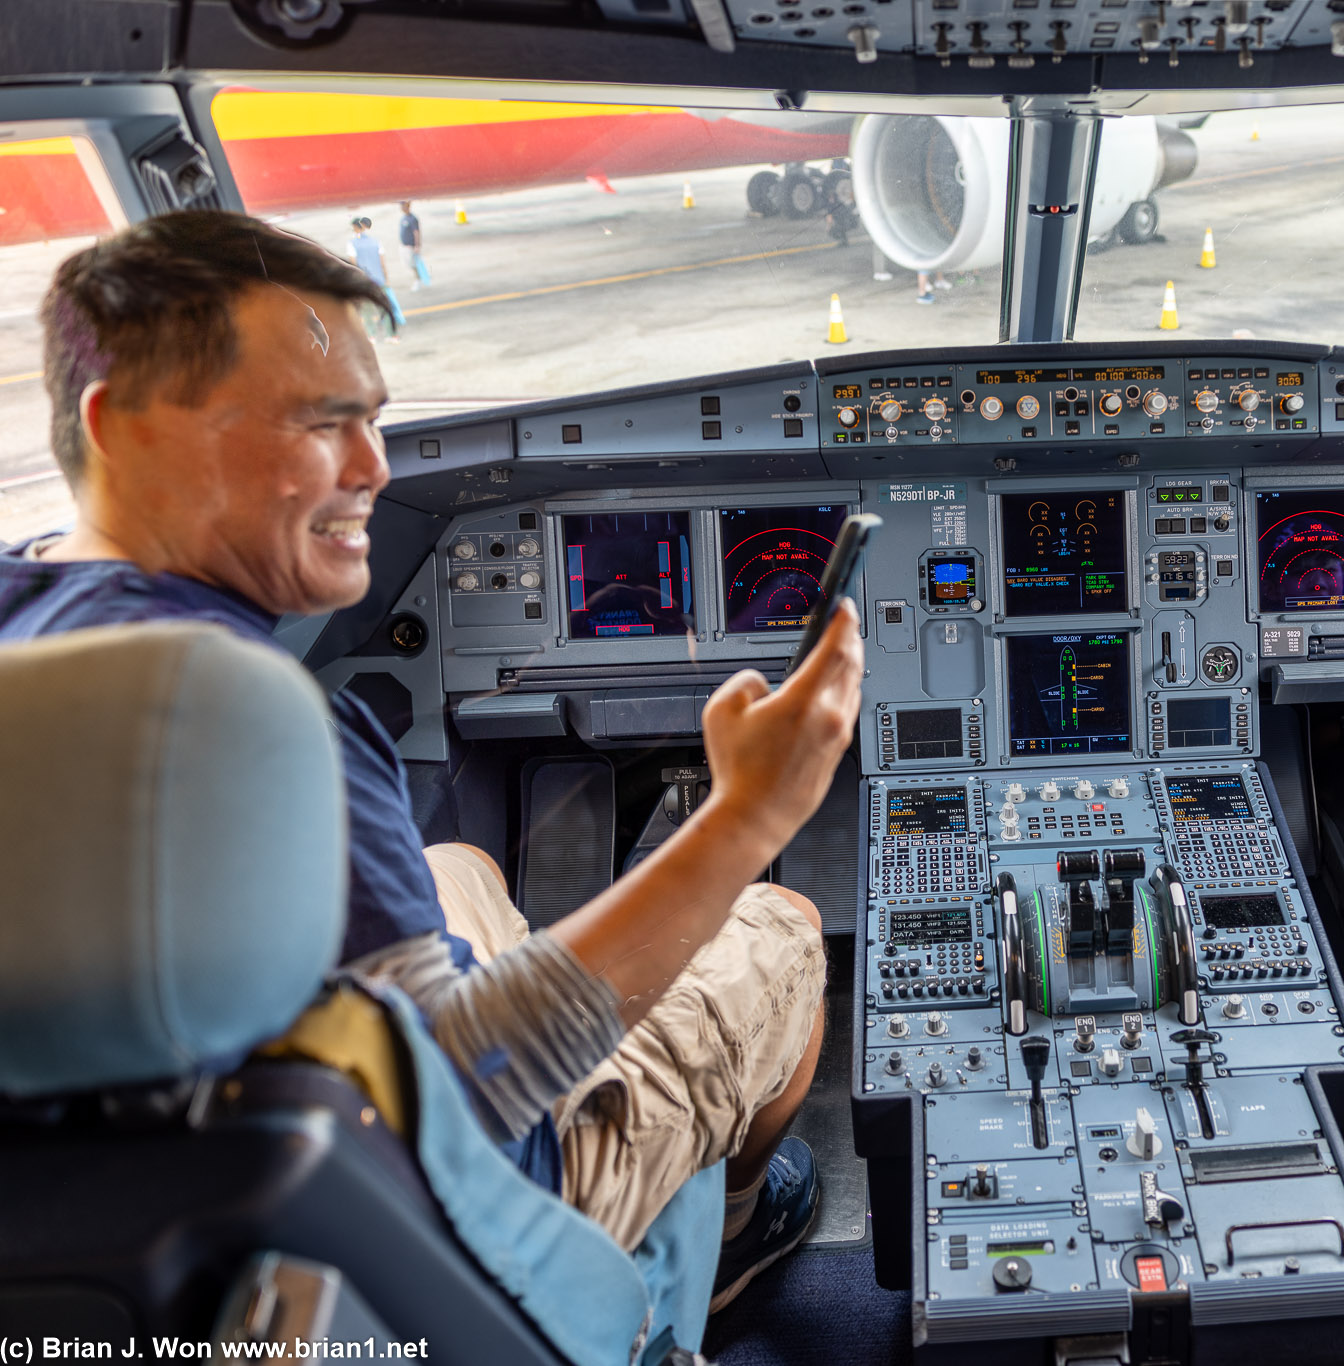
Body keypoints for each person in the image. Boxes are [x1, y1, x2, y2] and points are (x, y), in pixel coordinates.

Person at [2, 210, 862, 1313]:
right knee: (780, 932)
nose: (375, 467)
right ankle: (737, 1228)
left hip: (143, 1159)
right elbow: (466, 1094)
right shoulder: (246, 719)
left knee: (453, 858)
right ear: (122, 427)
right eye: (323, 424)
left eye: (376, 419)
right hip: (448, 1214)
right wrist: (749, 814)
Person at [346, 216, 404, 341]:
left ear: (356, 228)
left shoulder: (352, 244)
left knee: (367, 310)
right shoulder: (376, 242)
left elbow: (353, 265)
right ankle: (392, 335)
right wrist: (386, 278)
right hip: (379, 280)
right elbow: (382, 262)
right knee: (384, 308)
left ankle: (371, 335)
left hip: (364, 281)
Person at [396, 200, 429, 290]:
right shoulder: (404, 218)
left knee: (414, 264)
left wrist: (417, 245)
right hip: (404, 246)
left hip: (411, 247)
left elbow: (416, 232)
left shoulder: (412, 219)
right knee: (409, 264)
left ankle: (418, 279)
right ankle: (418, 279)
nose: (402, 208)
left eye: (403, 206)